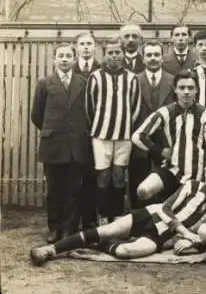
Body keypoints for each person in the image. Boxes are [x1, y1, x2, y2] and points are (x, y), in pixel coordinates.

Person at [29, 157, 206, 266]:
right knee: (106, 230)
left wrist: (190, 241)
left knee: (128, 251)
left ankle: (101, 246)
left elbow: (205, 234)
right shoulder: (193, 185)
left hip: (162, 236)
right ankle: (51, 250)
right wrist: (186, 233)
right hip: (151, 215)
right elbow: (166, 208)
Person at [31, 43, 90, 242]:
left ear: (74, 60)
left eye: (68, 56)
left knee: (74, 189)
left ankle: (69, 228)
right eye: (61, 56)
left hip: (76, 146)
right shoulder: (44, 83)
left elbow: (88, 113)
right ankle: (54, 228)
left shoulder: (83, 82)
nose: (64, 59)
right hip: (53, 146)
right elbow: (37, 115)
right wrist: (54, 132)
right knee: (54, 190)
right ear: (54, 60)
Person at [132, 70, 206, 202]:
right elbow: (138, 136)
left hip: (197, 175)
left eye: (190, 88)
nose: (186, 92)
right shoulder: (166, 111)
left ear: (197, 90)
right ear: (175, 90)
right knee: (143, 190)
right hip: (172, 170)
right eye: (182, 88)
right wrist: (159, 151)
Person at [85, 37, 141, 224]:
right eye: (111, 52)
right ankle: (103, 217)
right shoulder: (95, 77)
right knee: (103, 176)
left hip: (124, 136)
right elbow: (89, 108)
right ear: (104, 54)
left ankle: (116, 215)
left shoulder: (132, 78)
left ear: (123, 54)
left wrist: (124, 126)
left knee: (118, 176)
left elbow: (135, 107)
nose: (115, 56)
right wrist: (100, 126)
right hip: (101, 136)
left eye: (118, 52)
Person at [129, 40, 176, 209]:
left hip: (165, 140)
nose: (153, 58)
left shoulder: (173, 81)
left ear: (162, 58)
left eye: (157, 54)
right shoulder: (133, 80)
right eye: (149, 55)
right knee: (139, 179)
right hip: (140, 140)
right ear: (143, 58)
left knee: (164, 180)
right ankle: (139, 222)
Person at [73, 32, 101, 231]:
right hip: (73, 136)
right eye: (81, 44)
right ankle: (70, 222)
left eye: (89, 44)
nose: (85, 47)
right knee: (72, 179)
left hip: (95, 135)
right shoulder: (67, 68)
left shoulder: (102, 70)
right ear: (76, 47)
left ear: (95, 47)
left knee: (92, 178)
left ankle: (90, 221)